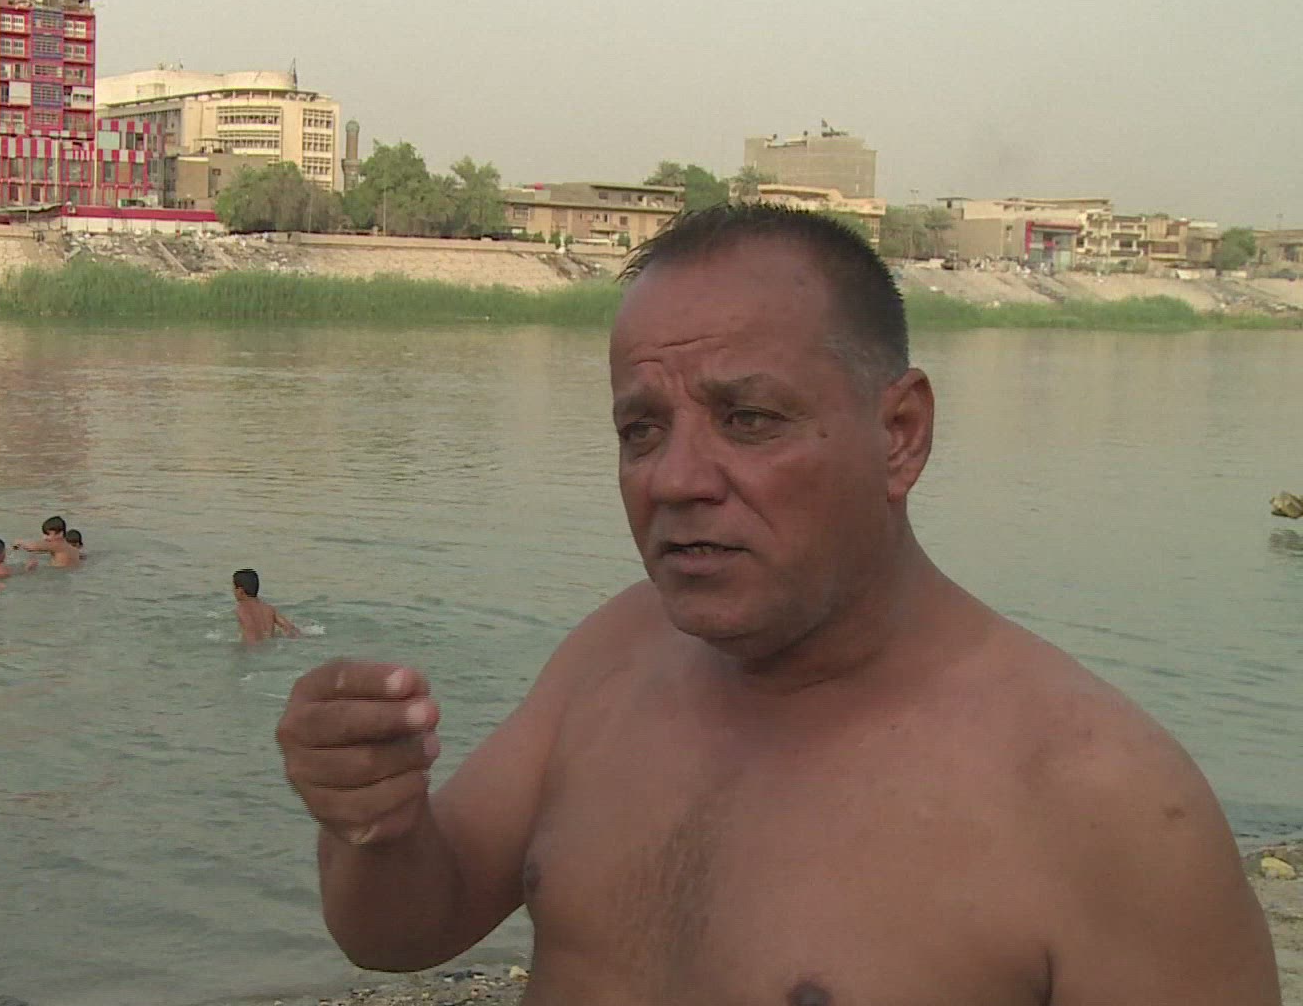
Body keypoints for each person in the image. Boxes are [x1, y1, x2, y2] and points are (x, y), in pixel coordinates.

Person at [272, 206, 1280, 1004]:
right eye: (641, 430)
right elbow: (402, 932)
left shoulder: (1107, 806)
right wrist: (373, 823)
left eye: (749, 419)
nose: (675, 480)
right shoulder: (614, 655)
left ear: (900, 435)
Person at [233, 568, 297, 644]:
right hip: (270, 647)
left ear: (240, 591)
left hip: (252, 648)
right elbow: (290, 628)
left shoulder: (242, 608)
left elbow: (251, 630)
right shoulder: (269, 608)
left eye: (233, 588)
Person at [13, 514, 80, 568]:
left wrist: (19, 542)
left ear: (60, 534)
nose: (44, 538)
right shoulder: (73, 549)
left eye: (48, 534)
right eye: (44, 534)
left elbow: (33, 547)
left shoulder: (58, 545)